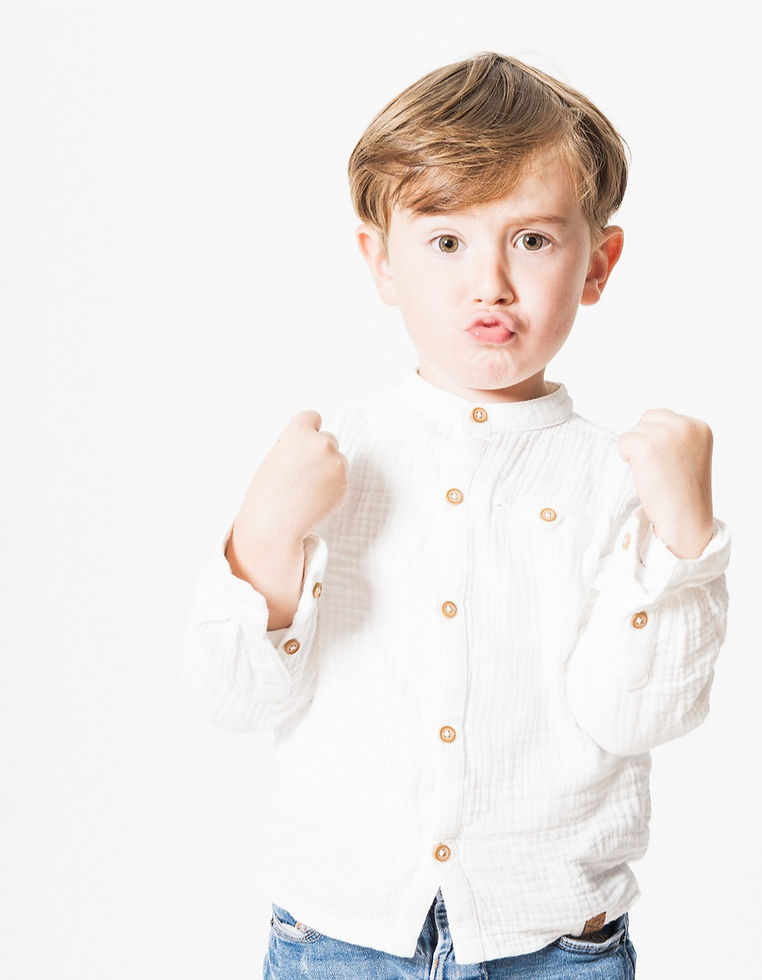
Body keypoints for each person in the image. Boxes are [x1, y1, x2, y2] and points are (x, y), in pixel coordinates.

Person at [183, 51, 730, 979]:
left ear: (599, 263)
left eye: (532, 240)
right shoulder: (331, 460)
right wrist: (264, 538)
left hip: (551, 939)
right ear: (380, 259)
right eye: (446, 242)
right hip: (340, 933)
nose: (490, 284)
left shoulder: (623, 477)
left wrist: (682, 540)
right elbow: (232, 696)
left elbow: (636, 714)